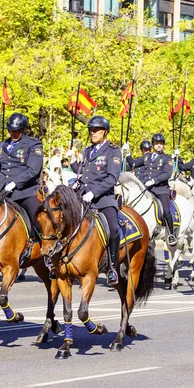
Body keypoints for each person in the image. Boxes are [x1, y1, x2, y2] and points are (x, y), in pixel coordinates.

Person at [75, 116, 123, 285]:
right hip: (83, 196)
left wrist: (93, 193)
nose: (92, 133)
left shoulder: (113, 151)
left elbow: (111, 178)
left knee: (113, 229)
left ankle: (112, 267)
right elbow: (82, 175)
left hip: (103, 198)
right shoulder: (87, 151)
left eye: (96, 130)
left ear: (105, 132)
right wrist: (76, 184)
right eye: (91, 130)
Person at [0, 113, 44, 267]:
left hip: (26, 192)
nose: (13, 133)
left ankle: (49, 255)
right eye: (11, 130)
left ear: (23, 129)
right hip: (5, 192)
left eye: (16, 130)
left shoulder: (33, 145)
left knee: (39, 220)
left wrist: (15, 183)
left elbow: (33, 170)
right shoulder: (2, 146)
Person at [126, 133, 176, 246]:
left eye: (161, 144)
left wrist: (154, 181)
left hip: (161, 189)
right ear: (153, 144)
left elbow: (167, 174)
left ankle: (171, 234)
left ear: (163, 146)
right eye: (156, 143)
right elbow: (133, 163)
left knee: (166, 211)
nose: (159, 146)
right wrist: (127, 153)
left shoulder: (166, 158)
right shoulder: (147, 157)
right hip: (147, 189)